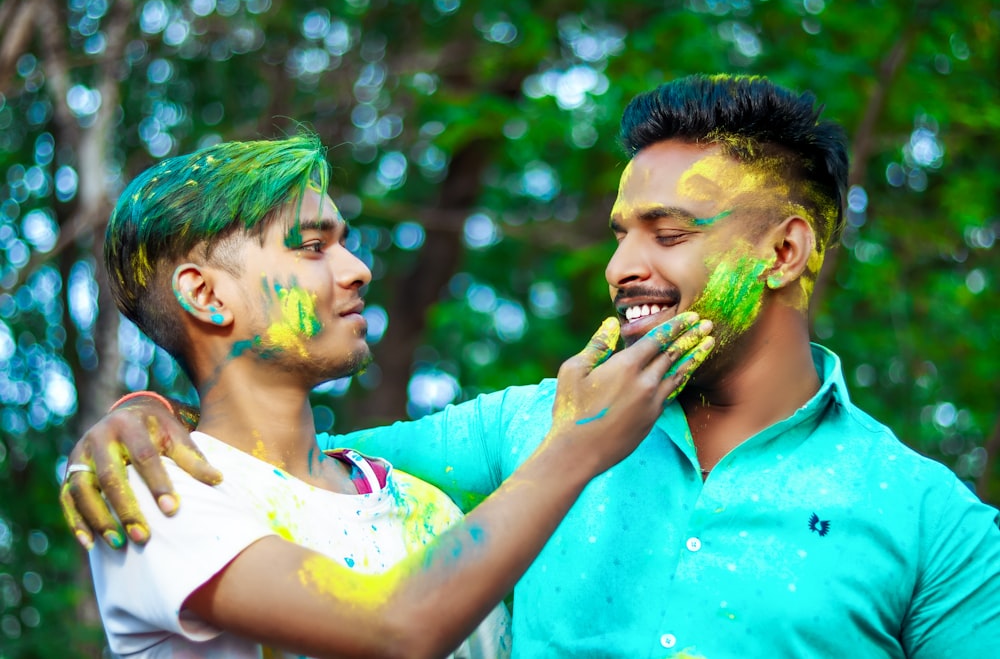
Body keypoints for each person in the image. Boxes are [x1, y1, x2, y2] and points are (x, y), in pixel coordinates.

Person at [63, 75, 1000, 657]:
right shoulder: (529, 426)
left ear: (787, 251)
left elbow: (323, 481)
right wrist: (144, 412)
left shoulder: (937, 525)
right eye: (621, 232)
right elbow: (280, 467)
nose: (623, 266)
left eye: (667, 233)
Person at [74, 133, 715, 658]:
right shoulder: (156, 498)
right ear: (207, 296)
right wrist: (576, 445)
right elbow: (396, 630)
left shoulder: (423, 506)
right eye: (312, 247)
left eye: (344, 243)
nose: (357, 269)